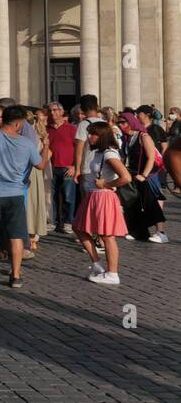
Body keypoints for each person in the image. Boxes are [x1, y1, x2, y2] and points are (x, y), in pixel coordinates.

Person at [0, 104, 47, 289]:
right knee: (16, 234)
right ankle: (16, 275)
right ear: (19, 124)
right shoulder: (27, 143)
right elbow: (40, 166)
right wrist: (47, 147)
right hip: (16, 193)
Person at [74, 121, 130, 285]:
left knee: (106, 235)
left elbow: (126, 177)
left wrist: (106, 184)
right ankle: (97, 264)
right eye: (89, 133)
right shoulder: (99, 152)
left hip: (103, 195)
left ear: (102, 136)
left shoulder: (109, 154)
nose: (89, 136)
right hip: (93, 195)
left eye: (93, 134)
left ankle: (113, 272)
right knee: (79, 228)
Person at [119, 112, 168, 243]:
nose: (121, 125)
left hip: (146, 175)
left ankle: (161, 232)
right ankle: (139, 231)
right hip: (132, 175)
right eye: (119, 123)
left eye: (123, 123)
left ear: (131, 123)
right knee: (134, 203)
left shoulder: (143, 136)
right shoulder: (127, 138)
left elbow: (151, 157)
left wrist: (144, 175)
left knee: (151, 203)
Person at [47, 101, 78, 233]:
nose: (52, 113)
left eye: (55, 110)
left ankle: (67, 222)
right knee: (51, 197)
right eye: (50, 110)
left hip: (67, 167)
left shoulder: (71, 129)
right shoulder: (46, 129)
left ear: (61, 112)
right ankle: (53, 221)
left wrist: (75, 166)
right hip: (50, 168)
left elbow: (78, 149)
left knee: (68, 196)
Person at [26, 108, 51, 255]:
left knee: (29, 202)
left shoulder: (29, 135)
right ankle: (32, 237)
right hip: (36, 170)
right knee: (33, 202)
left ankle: (30, 236)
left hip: (30, 169)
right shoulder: (40, 133)